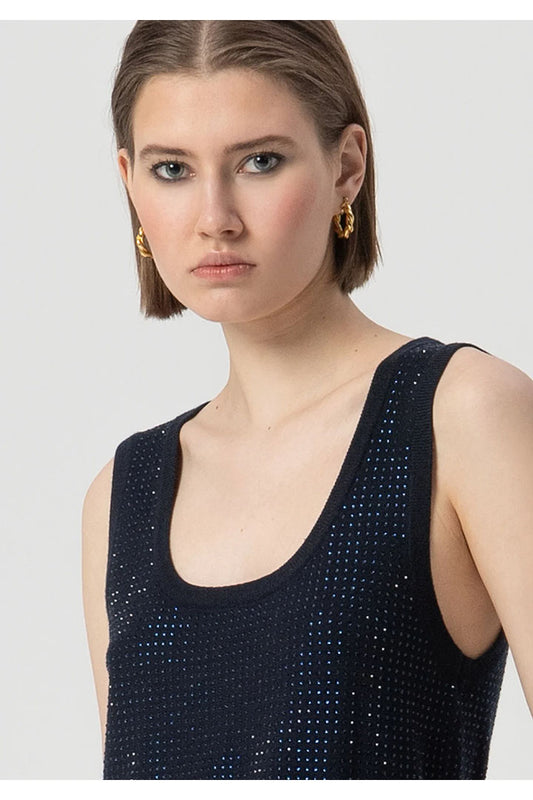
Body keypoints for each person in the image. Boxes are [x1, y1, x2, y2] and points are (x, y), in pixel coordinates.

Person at [81, 20, 533, 780]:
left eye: (259, 161)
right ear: (130, 181)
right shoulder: (122, 494)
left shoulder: (460, 416)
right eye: (172, 170)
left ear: (346, 167)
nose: (215, 217)